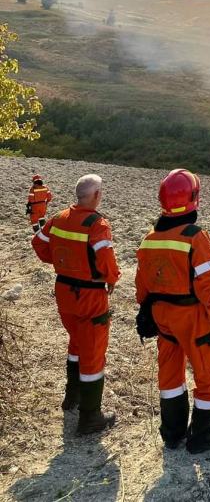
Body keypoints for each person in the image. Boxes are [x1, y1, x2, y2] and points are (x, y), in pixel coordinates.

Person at [135, 169, 210, 453]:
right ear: (193, 199)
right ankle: (201, 436)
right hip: (192, 317)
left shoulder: (149, 238)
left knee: (170, 375)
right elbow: (207, 282)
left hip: (162, 317)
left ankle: (172, 433)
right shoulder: (194, 236)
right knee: (209, 373)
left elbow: (142, 287)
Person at [32, 173, 120, 434]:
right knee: (92, 351)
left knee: (76, 341)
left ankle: (72, 397)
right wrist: (113, 278)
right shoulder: (97, 224)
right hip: (90, 295)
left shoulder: (59, 218)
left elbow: (38, 244)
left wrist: (62, 263)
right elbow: (106, 261)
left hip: (63, 291)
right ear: (96, 195)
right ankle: (90, 417)